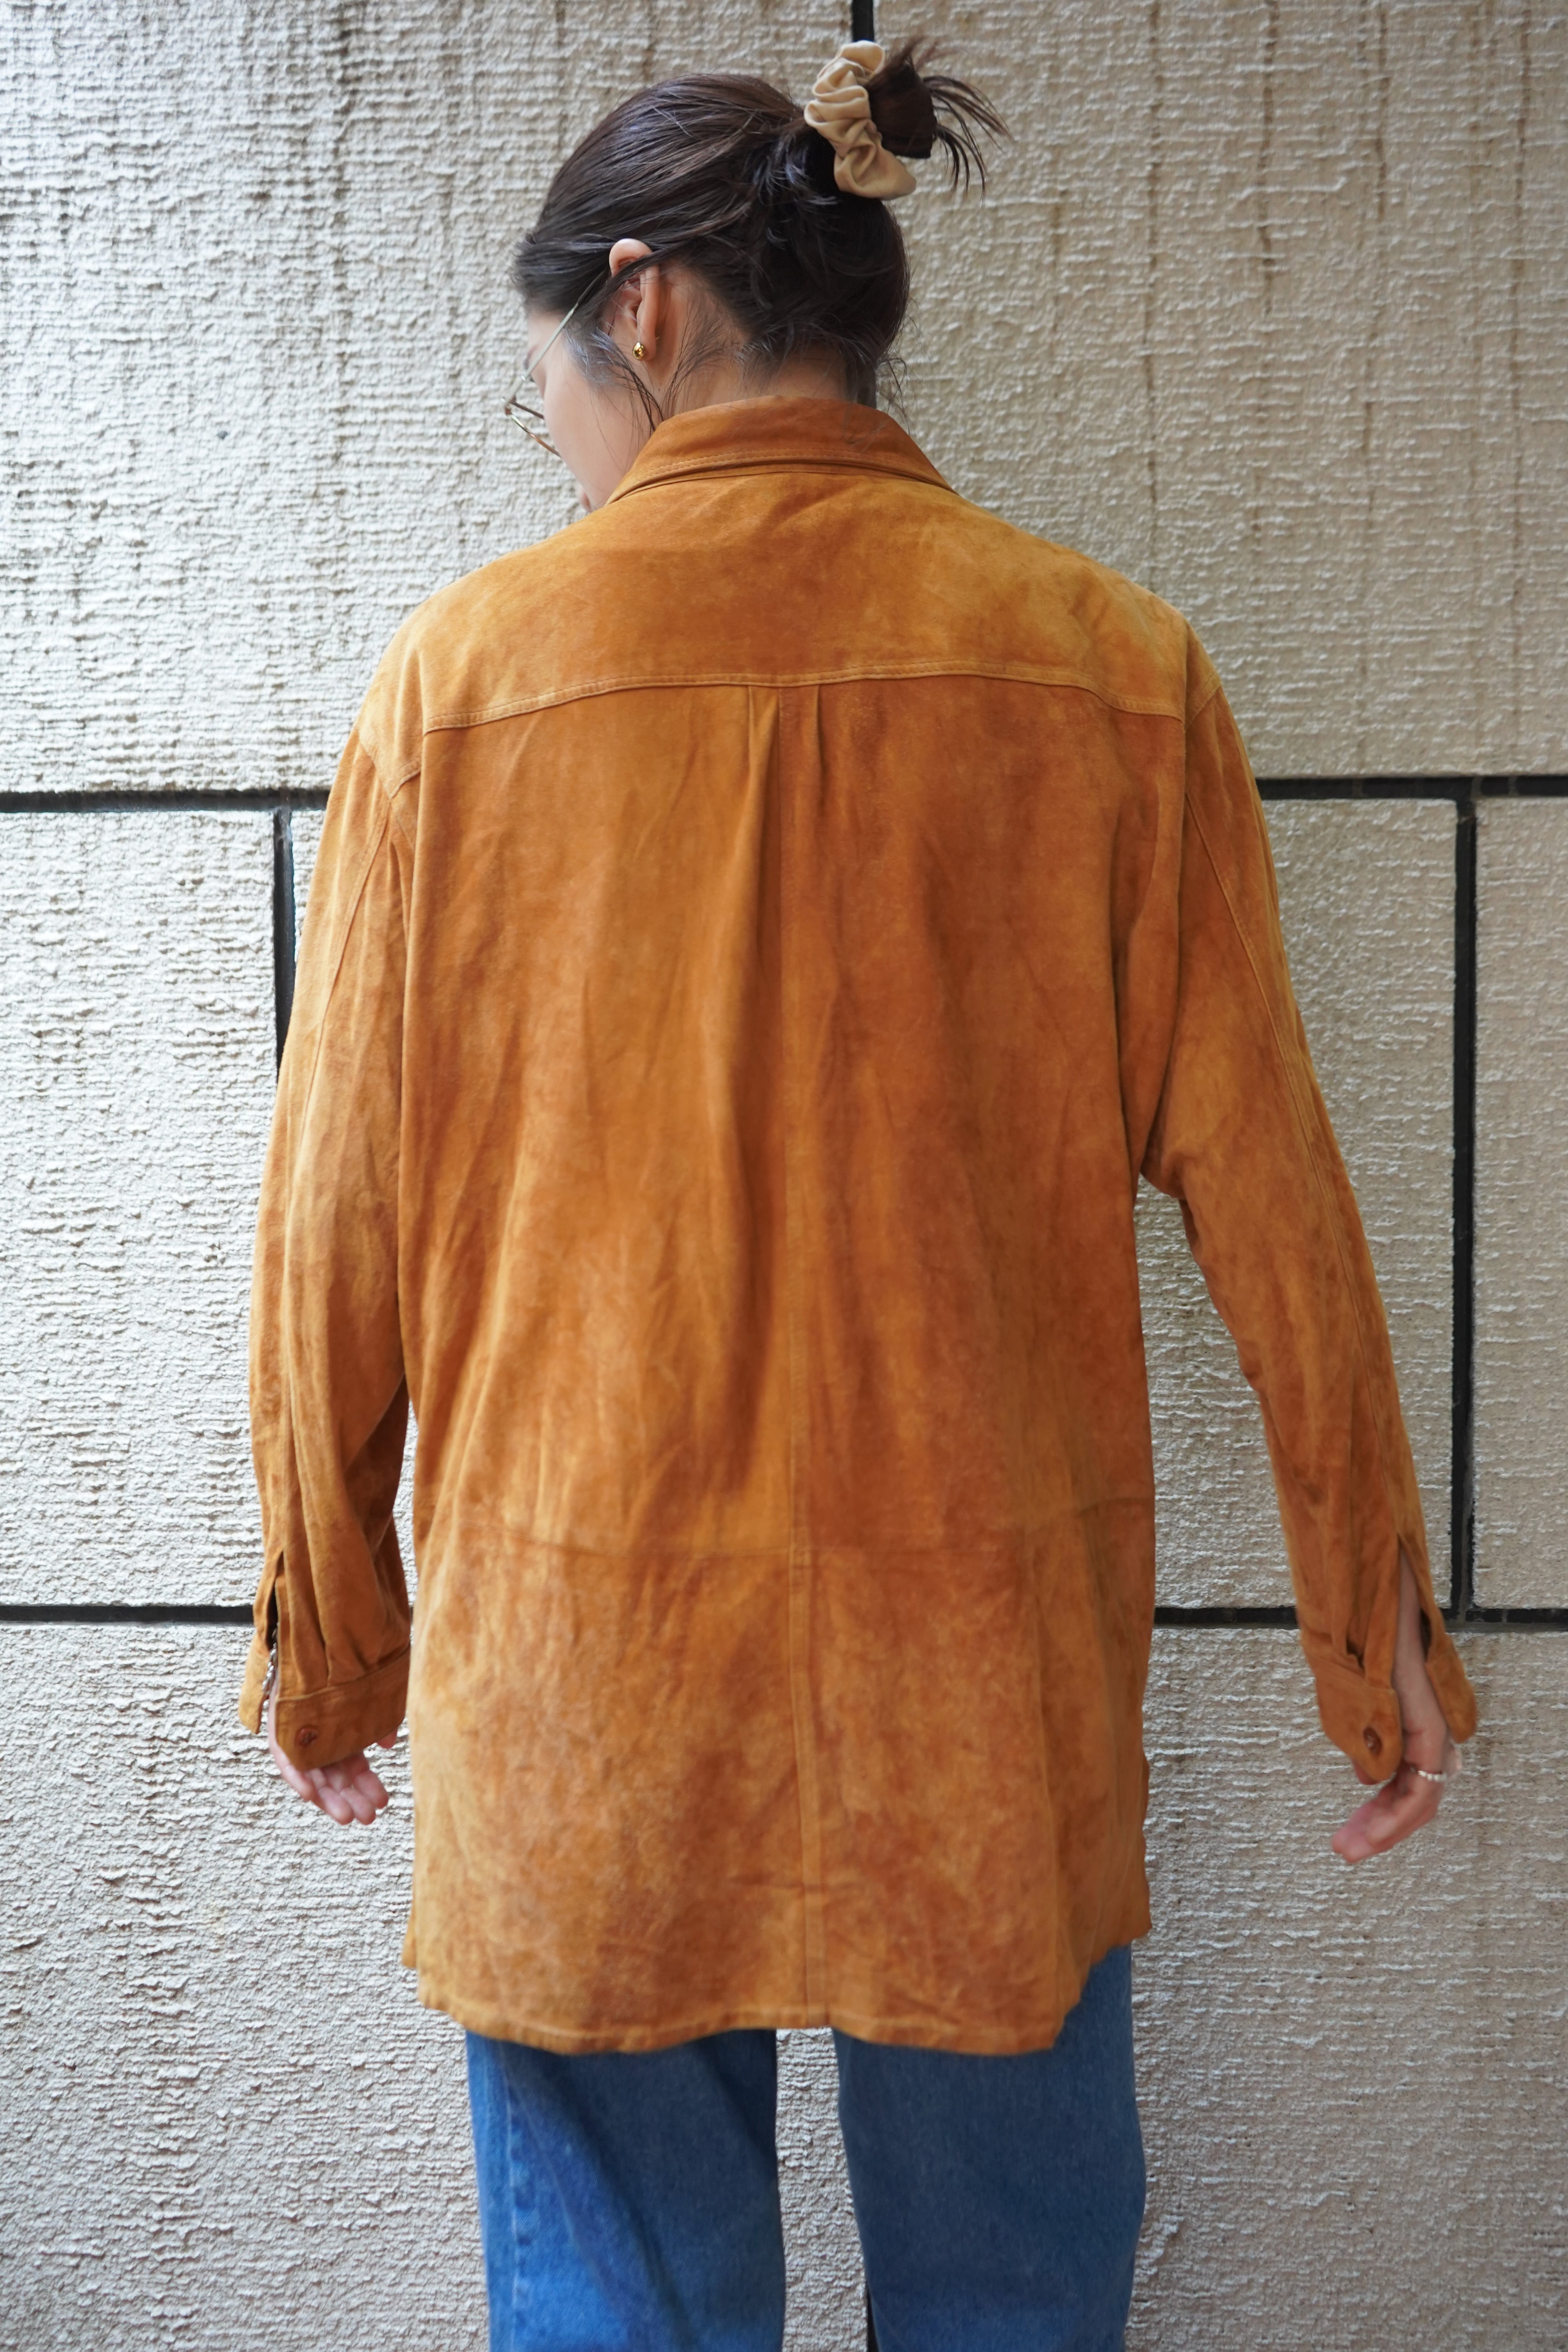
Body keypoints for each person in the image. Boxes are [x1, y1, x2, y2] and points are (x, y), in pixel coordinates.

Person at [239, 35, 1476, 2352]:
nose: (555, 432)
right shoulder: (1108, 672)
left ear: (647, 307)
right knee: (1012, 2299)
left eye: (548, 382)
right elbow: (1273, 1191)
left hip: (587, 1677)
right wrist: (1370, 1610)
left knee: (623, 2310)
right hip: (978, 1687)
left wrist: (333, 1629)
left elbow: (335, 1225)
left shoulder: (458, 689)